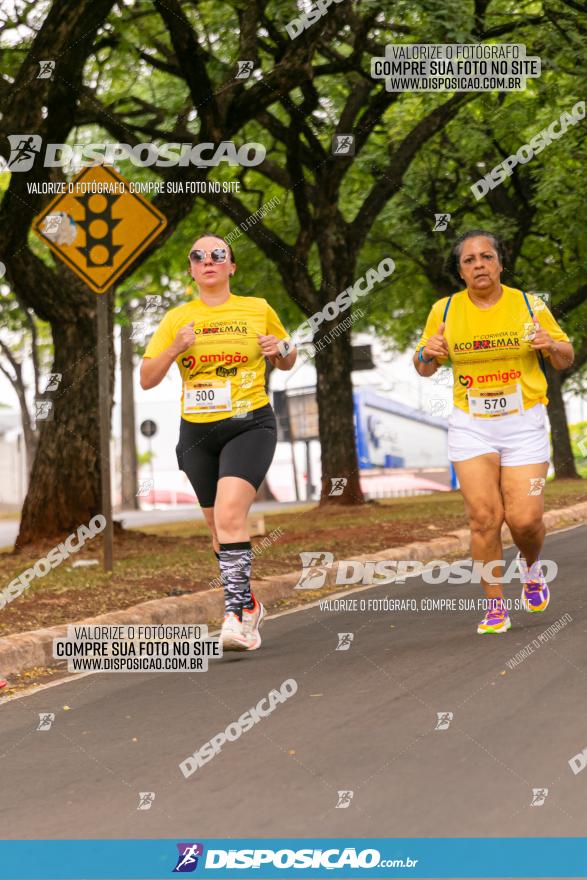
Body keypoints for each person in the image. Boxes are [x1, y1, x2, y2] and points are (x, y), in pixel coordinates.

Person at [140, 233, 296, 651]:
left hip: (250, 424)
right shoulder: (177, 319)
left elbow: (287, 356)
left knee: (230, 516)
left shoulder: (257, 309)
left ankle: (236, 616)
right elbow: (147, 377)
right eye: (198, 256)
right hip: (197, 434)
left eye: (217, 255)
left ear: (231, 267)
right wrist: (175, 347)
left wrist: (278, 349)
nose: (207, 260)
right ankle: (250, 605)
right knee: (218, 530)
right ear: (191, 269)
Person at [414, 230, 573, 635]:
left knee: (524, 520)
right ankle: (495, 606)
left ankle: (531, 565)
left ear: (500, 263)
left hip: (524, 423)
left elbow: (565, 358)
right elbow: (422, 363)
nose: (479, 265)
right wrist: (427, 354)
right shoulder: (445, 310)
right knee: (484, 518)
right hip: (472, 425)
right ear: (461, 271)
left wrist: (549, 344)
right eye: (469, 260)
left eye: (486, 257)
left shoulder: (528, 304)